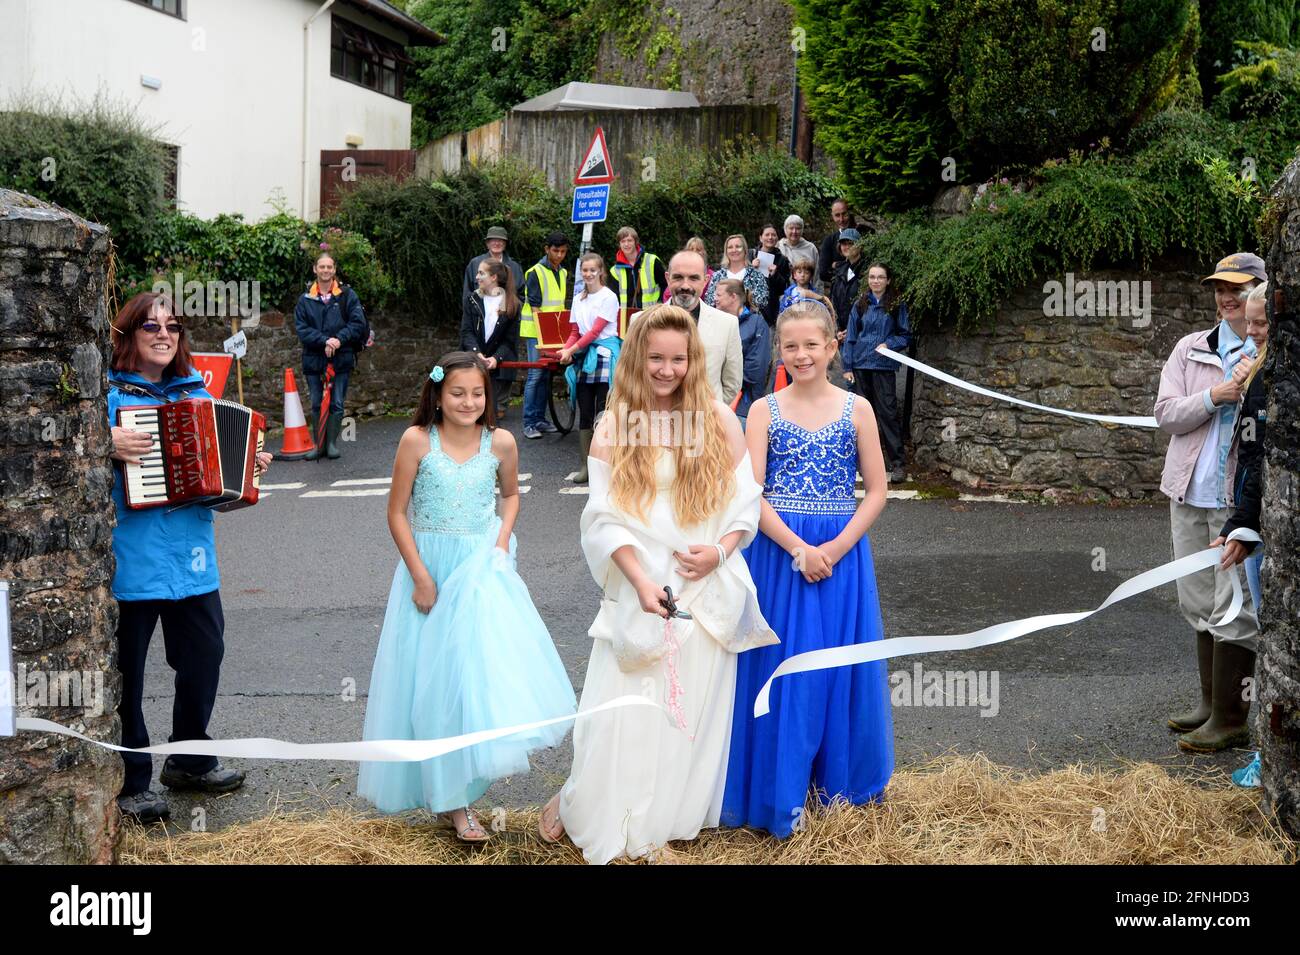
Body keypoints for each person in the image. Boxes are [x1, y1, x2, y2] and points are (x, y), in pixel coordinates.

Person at [538, 305, 777, 863]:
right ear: (635, 359)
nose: (667, 370)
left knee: (688, 709)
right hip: (643, 586)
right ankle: (606, 813)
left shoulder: (719, 419)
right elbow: (601, 518)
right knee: (629, 706)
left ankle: (661, 821)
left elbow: (746, 502)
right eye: (655, 359)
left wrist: (719, 552)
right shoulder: (615, 424)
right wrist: (641, 582)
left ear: (693, 360)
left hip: (704, 583)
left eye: (678, 359)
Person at [357, 352, 576, 842]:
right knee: (427, 686)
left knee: (468, 686)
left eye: (477, 393)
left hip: (478, 575)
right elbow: (396, 512)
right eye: (457, 393)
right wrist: (419, 574)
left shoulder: (500, 442)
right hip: (430, 573)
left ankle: (459, 799)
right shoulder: (416, 441)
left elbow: (511, 496)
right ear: (437, 393)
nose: (468, 402)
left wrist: (500, 542)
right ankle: (446, 797)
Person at [722, 301, 894, 837]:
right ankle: (779, 791)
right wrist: (800, 548)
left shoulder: (858, 409)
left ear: (832, 346)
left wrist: (836, 548)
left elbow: (879, 489)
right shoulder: (763, 410)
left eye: (811, 345)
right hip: (780, 555)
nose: (801, 355)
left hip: (841, 558)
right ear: (780, 350)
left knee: (833, 667)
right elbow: (749, 492)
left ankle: (835, 788)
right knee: (782, 669)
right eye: (790, 346)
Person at [107, 292, 272, 823]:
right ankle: (133, 782)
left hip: (194, 558)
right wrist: (103, 441)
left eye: (172, 327)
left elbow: (215, 470)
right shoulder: (105, 398)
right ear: (129, 335)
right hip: (132, 557)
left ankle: (189, 760)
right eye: (150, 326)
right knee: (128, 677)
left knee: (203, 659)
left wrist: (247, 463)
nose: (163, 334)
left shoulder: (196, 391)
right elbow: (65, 452)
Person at [1156, 252, 1264, 753]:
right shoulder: (1190, 348)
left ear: (1259, 294)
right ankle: (1207, 704)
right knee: (1196, 600)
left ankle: (1230, 717)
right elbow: (1165, 414)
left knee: (1233, 605)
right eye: (1220, 288)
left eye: (1238, 289)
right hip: (1187, 494)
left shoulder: (1266, 350)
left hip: (1231, 501)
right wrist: (1212, 397)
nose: (1226, 297)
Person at [1211, 280, 1270, 786]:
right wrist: (1240, 522)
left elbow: (1264, 458)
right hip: (1255, 520)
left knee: (1272, 631)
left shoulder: (1273, 378)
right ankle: (1269, 754)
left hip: (1270, 526)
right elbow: (1251, 459)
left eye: (1260, 324)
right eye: (1248, 323)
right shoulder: (1259, 372)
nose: (1251, 333)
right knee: (1271, 632)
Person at [634, 249, 743, 405]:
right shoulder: (639, 322)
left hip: (706, 421)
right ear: (667, 278)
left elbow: (732, 384)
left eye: (693, 278)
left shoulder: (727, 324)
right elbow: (630, 376)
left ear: (706, 281)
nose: (685, 285)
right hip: (654, 420)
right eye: (678, 277)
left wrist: (708, 411)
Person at [294, 252, 368, 459]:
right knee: (316, 402)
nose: (325, 270)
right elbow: (302, 329)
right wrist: (324, 341)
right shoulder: (305, 299)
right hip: (314, 359)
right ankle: (319, 444)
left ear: (334, 270)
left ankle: (332, 444)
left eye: (329, 267)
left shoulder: (347, 295)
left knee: (336, 402)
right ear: (315, 269)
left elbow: (357, 323)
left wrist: (338, 339)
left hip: (341, 358)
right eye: (322, 266)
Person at [843, 261, 911, 482]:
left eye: (880, 277)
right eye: (872, 277)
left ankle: (898, 464)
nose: (876, 281)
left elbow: (906, 335)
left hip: (883, 367)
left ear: (888, 280)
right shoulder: (860, 304)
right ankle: (866, 464)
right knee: (862, 418)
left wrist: (889, 344)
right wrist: (847, 367)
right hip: (861, 366)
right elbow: (851, 338)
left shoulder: (896, 305)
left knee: (888, 415)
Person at [560, 252, 622, 485]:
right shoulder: (578, 299)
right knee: (584, 413)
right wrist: (566, 351)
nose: (588, 274)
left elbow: (595, 332)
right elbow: (575, 332)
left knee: (603, 413)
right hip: (586, 357)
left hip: (605, 355)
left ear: (600, 272)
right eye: (584, 270)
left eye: (592, 270)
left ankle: (605, 465)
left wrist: (571, 350)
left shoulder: (609, 297)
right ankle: (585, 466)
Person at [521, 232, 571, 440]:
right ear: (546, 249)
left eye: (563, 251)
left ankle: (540, 419)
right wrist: (544, 338)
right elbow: (535, 308)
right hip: (536, 332)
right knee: (535, 376)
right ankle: (529, 422)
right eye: (555, 251)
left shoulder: (564, 272)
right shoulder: (535, 272)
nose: (559, 255)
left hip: (553, 333)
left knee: (545, 376)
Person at [460, 258, 521, 419]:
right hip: (471, 363)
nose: (477, 277)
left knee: (490, 415)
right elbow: (466, 332)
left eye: (481, 273)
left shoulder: (512, 304)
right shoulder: (472, 300)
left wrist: (495, 358)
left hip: (493, 367)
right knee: (468, 412)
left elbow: (510, 340)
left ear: (493, 277)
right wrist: (476, 353)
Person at [713, 278, 770, 425]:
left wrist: (725, 382)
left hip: (743, 405)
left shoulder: (756, 323)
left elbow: (756, 368)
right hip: (715, 401)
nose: (714, 298)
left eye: (719, 295)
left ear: (733, 297)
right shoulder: (716, 322)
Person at [609, 226, 667, 327]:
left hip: (652, 315)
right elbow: (614, 298)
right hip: (626, 318)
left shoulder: (652, 261)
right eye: (623, 241)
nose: (626, 244)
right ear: (619, 244)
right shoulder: (615, 270)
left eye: (629, 240)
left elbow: (665, 285)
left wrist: (661, 304)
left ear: (636, 242)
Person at [703, 234, 770, 312]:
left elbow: (763, 301)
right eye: (730, 247)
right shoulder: (717, 276)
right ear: (726, 251)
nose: (734, 250)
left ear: (745, 250)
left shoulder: (756, 274)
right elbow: (709, 301)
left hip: (748, 320)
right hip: (722, 320)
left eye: (738, 246)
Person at [461, 225, 525, 303]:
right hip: (481, 314)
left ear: (505, 244)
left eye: (501, 240)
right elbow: (467, 295)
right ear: (487, 244)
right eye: (493, 240)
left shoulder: (515, 267)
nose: (497, 243)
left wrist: (512, 309)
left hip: (507, 313)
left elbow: (522, 296)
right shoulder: (474, 264)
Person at [750, 224, 791, 327]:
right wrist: (751, 268)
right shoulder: (751, 255)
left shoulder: (782, 260)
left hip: (771, 310)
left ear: (777, 238)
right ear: (760, 238)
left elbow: (784, 288)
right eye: (767, 234)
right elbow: (741, 280)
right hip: (751, 307)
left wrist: (775, 275)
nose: (770, 237)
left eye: (773, 235)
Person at [818, 198, 856, 287]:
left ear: (849, 213)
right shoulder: (829, 241)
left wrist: (837, 265)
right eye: (837, 215)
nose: (841, 219)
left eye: (844, 214)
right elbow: (823, 273)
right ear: (832, 216)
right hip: (838, 292)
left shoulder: (864, 234)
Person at [778, 215, 819, 287]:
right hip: (783, 295)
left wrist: (818, 296)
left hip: (806, 294)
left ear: (802, 230)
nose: (794, 231)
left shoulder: (811, 248)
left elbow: (817, 275)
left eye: (798, 228)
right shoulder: (778, 247)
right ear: (785, 230)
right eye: (791, 228)